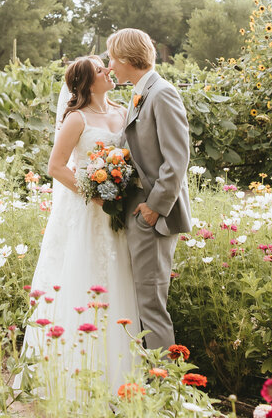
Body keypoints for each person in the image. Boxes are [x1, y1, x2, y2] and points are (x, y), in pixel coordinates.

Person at [17, 56, 140, 396]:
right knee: (83, 277)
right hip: (87, 209)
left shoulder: (123, 109)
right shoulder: (76, 119)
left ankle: (120, 375)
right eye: (101, 70)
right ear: (87, 83)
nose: (108, 71)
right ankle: (74, 377)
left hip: (118, 207)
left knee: (117, 278)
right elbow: (56, 166)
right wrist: (95, 193)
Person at [107, 27, 192, 351]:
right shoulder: (141, 92)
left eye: (113, 58)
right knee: (142, 301)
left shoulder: (163, 93)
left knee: (152, 306)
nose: (111, 65)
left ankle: (163, 389)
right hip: (138, 209)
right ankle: (149, 382)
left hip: (154, 215)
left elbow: (177, 157)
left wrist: (154, 208)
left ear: (129, 59)